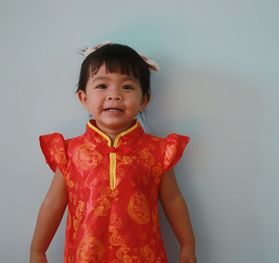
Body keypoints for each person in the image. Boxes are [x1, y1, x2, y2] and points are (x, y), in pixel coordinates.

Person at [29, 42, 196, 263]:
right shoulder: (70, 153)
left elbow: (173, 200)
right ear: (84, 98)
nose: (114, 95)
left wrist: (187, 245)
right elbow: (52, 204)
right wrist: (37, 251)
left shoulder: (157, 152)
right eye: (102, 86)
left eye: (127, 87)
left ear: (144, 100)